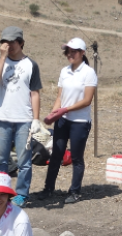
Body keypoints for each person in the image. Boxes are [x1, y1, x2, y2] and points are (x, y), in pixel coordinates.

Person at [37, 37, 98, 204]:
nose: (70, 54)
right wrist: (54, 112)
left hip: (80, 122)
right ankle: (48, 188)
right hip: (62, 120)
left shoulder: (88, 73)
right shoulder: (64, 71)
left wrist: (66, 109)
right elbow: (60, 97)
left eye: (74, 51)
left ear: (82, 53)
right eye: (68, 51)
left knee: (77, 157)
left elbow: (87, 100)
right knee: (56, 154)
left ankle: (75, 191)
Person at [0, 26, 42, 207]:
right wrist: (3, 58)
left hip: (23, 118)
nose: (8, 45)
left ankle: (22, 194)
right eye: (5, 42)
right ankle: (1, 191)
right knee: (0, 158)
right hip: (3, 116)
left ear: (21, 43)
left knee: (24, 160)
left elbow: (35, 93)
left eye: (12, 42)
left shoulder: (31, 65)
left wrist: (35, 119)